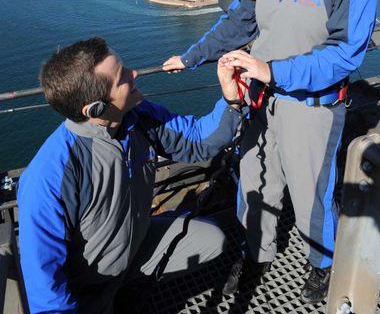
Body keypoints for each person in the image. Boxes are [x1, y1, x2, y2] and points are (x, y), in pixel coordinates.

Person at [163, 0, 378, 304]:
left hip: (311, 109)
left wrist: (270, 69)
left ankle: (321, 262)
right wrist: (192, 56)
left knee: (310, 193)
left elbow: (345, 54)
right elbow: (239, 22)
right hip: (260, 103)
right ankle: (255, 255)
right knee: (254, 186)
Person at [17, 36, 248, 314]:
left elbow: (196, 142)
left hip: (133, 244)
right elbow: (45, 278)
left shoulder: (138, 117)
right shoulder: (50, 174)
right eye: (122, 76)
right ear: (96, 109)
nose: (134, 73)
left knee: (211, 240)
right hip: (89, 284)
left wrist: (231, 99)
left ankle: (131, 282)